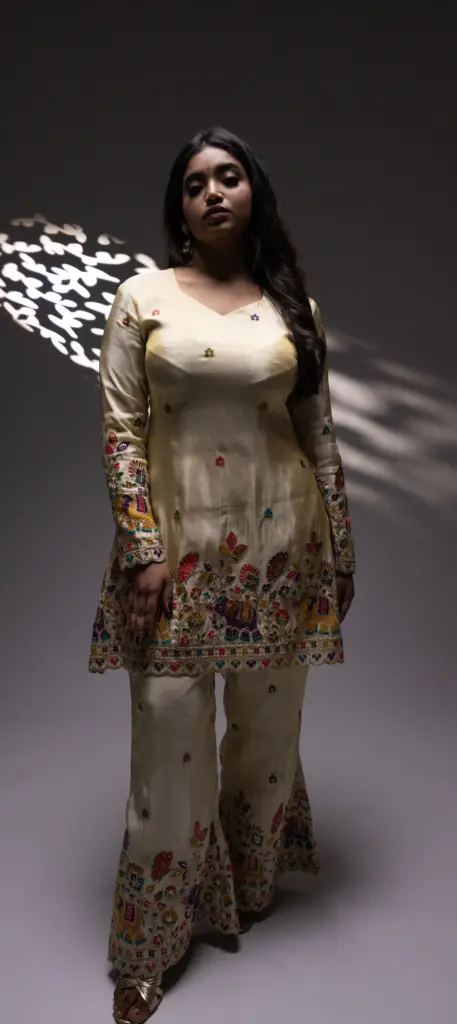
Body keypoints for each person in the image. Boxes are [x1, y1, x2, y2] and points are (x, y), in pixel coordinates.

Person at [89, 126, 355, 1023]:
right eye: (195, 181)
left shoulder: (293, 308)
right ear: (179, 206)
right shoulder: (143, 297)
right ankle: (149, 945)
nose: (212, 192)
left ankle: (244, 880)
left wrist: (340, 547)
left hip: (284, 557)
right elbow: (121, 432)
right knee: (168, 749)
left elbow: (319, 435)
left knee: (266, 736)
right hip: (170, 563)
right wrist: (141, 550)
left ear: (252, 194)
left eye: (228, 176)